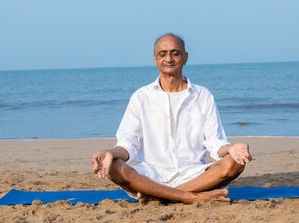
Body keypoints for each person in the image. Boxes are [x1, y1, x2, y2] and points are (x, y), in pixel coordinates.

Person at [91, 33, 252, 203]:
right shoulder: (141, 97)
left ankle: (161, 196)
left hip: (194, 176)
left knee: (236, 162)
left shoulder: (203, 96)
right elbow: (128, 144)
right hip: (150, 176)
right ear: (155, 59)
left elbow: (215, 142)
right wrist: (110, 152)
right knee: (113, 166)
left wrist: (231, 149)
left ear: (185, 57)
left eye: (175, 53)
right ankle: (191, 198)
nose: (169, 58)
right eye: (163, 54)